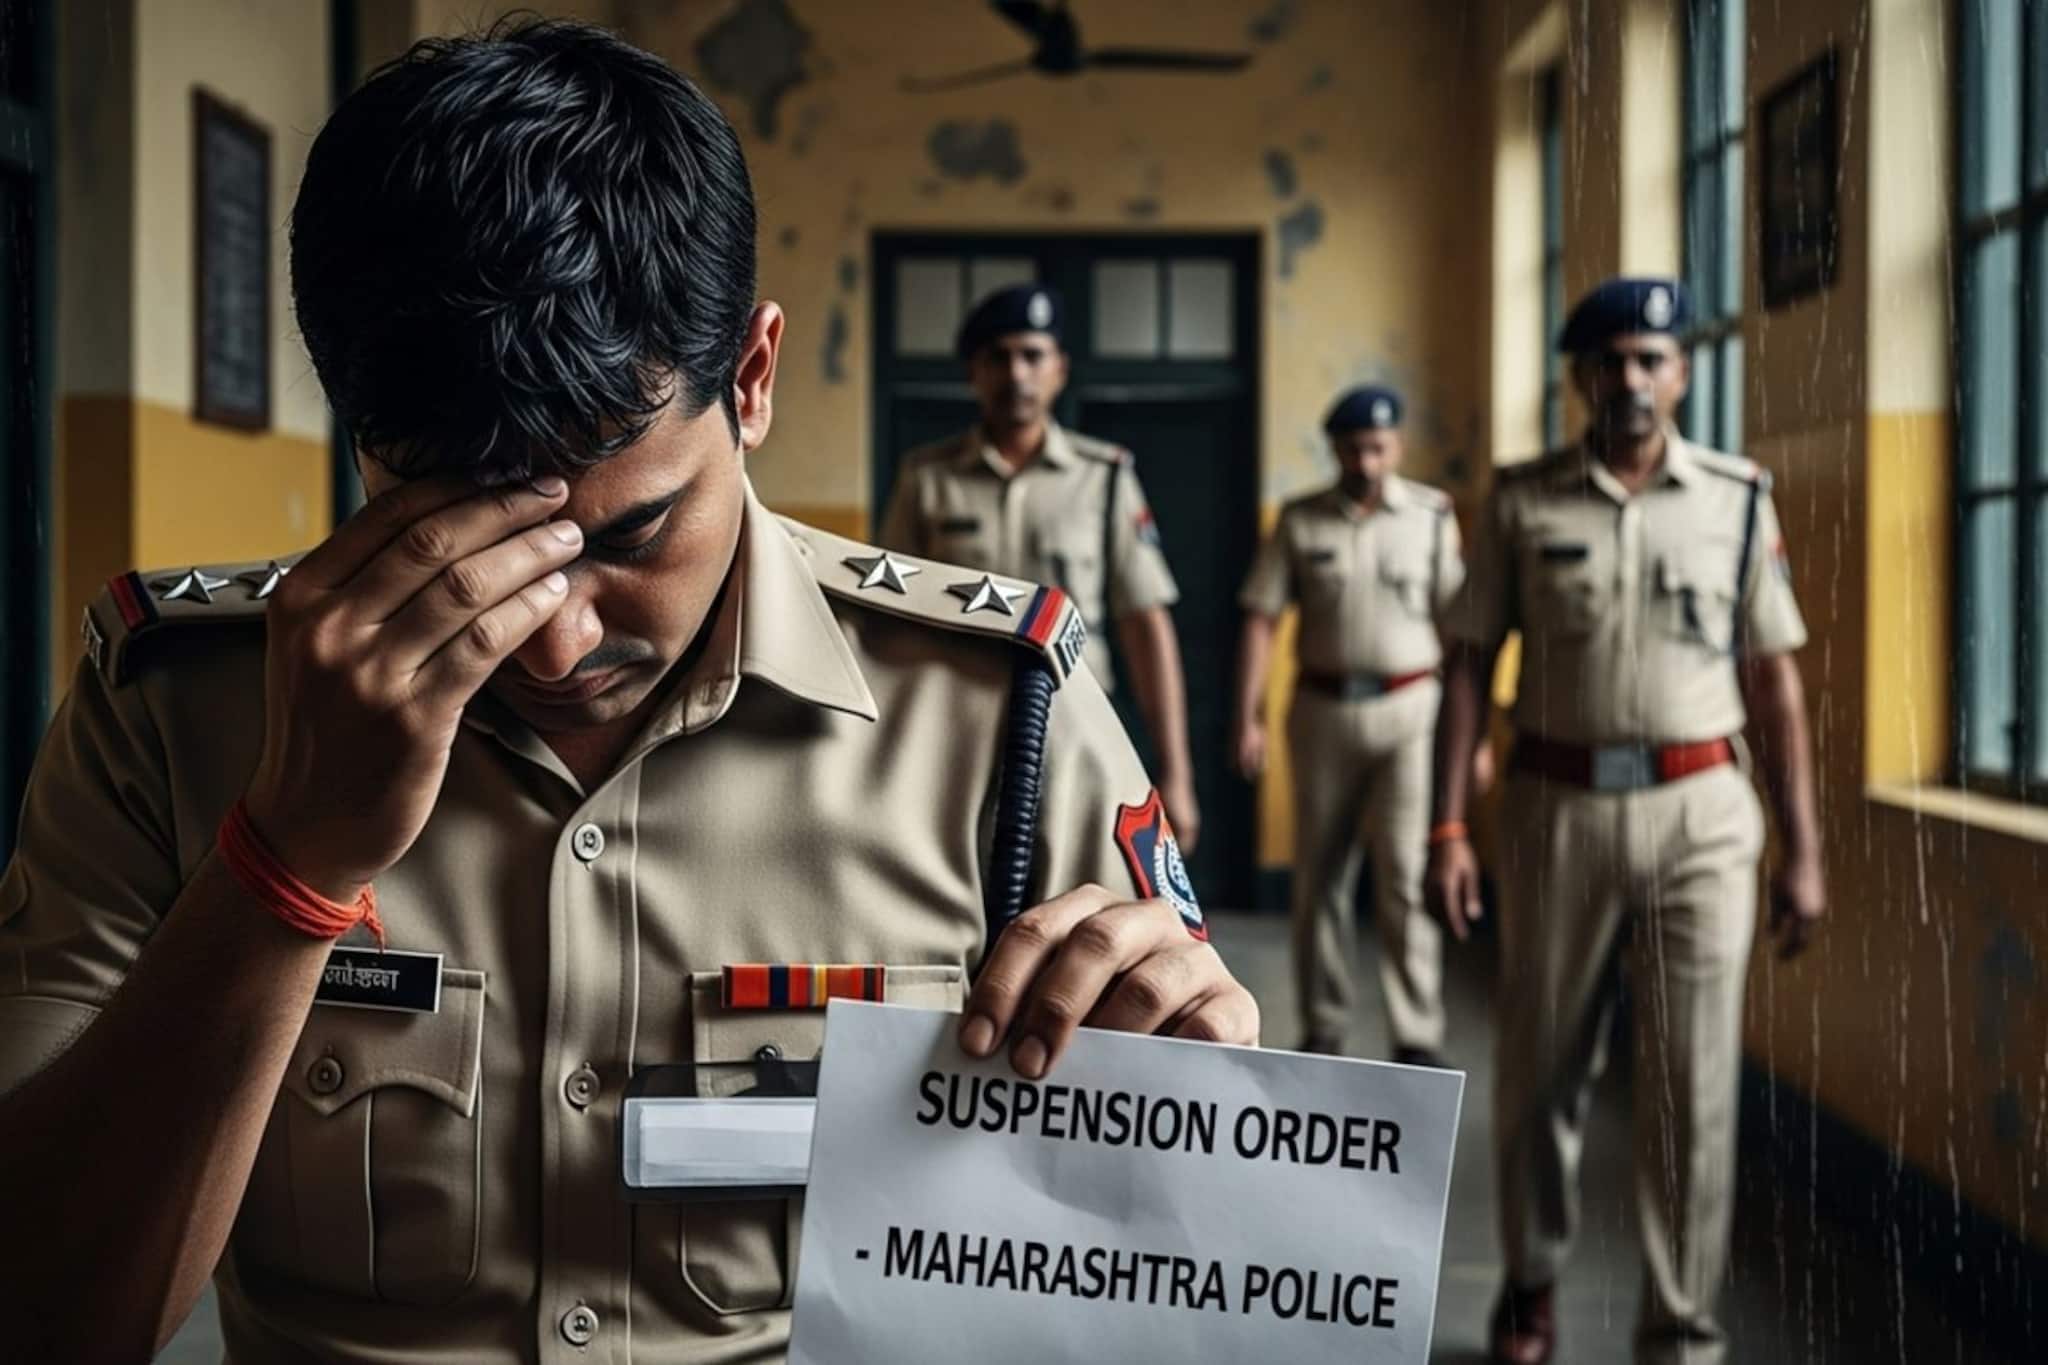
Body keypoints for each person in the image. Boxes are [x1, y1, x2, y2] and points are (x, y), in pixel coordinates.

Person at [0, 21, 1257, 1362]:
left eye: (630, 534)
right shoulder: (176, 712)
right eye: (458, 544)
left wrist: (1195, 1095)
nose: (552, 644)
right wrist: (280, 869)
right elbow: (40, 1316)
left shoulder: (997, 716)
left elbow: (1185, 1262)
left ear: (752, 379)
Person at [1426, 277, 1826, 1365]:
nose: (1631, 378)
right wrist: (1447, 828)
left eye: (1651, 358)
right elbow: (1467, 665)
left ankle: (1679, 1327)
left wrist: (1803, 849)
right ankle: (1529, 1284)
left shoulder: (1736, 499)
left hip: (1703, 815)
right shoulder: (1523, 502)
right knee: (1539, 1068)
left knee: (1693, 1085)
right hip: (1556, 809)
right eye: (1610, 361)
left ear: (1682, 373)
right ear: (1580, 379)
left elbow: (1773, 681)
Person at [880, 284, 1202, 852]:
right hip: (958, 728)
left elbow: (1145, 624)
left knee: (1082, 881)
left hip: (1079, 725)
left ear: (1059, 370)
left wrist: (1176, 771)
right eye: (998, 357)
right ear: (974, 373)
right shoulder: (927, 478)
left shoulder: (1103, 477)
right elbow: (889, 621)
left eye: (1033, 355)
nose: (1017, 374)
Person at [1233, 385, 1464, 1064]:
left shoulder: (1431, 517)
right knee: (1320, 876)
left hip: (1412, 714)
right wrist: (1248, 716)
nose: (1367, 462)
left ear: (1397, 447)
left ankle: (1417, 1033)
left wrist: (1469, 739)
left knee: (1405, 875)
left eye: (1379, 448)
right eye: (1354, 448)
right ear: (1333, 449)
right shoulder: (1300, 521)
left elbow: (1459, 634)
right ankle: (1324, 1023)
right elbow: (1261, 617)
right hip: (1323, 713)